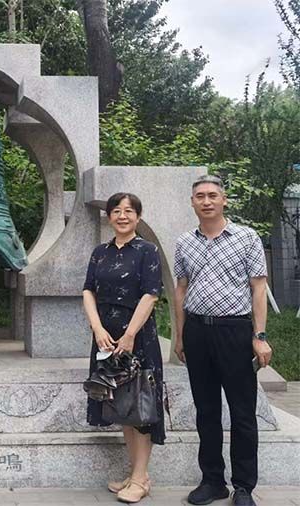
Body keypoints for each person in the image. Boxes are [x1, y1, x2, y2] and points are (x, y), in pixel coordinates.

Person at [174, 175, 271, 506]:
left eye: (212, 195)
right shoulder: (184, 242)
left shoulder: (246, 237)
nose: (206, 201)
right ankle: (212, 481)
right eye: (200, 196)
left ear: (224, 200)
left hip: (235, 331)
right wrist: (180, 335)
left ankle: (243, 486)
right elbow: (181, 289)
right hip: (197, 331)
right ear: (192, 202)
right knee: (206, 410)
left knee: (242, 412)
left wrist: (259, 336)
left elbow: (258, 288)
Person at [82, 192, 164, 504]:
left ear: (138, 217)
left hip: (137, 338)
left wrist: (130, 334)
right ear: (109, 217)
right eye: (116, 211)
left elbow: (151, 294)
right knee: (122, 405)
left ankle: (141, 478)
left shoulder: (147, 251)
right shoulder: (100, 252)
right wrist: (97, 328)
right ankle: (135, 474)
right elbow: (88, 291)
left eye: (129, 211)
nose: (122, 216)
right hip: (106, 338)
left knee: (140, 405)